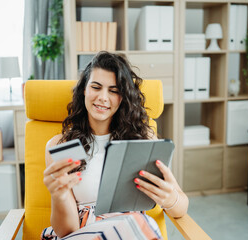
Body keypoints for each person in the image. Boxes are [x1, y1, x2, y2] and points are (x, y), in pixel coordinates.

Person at [42, 51, 188, 240]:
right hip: (81, 234)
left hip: (132, 231)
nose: (103, 97)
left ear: (123, 97)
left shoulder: (142, 139)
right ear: (84, 90)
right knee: (141, 223)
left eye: (114, 90)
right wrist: (58, 196)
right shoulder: (62, 145)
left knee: (139, 222)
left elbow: (181, 206)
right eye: (96, 87)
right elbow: (67, 231)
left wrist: (170, 199)